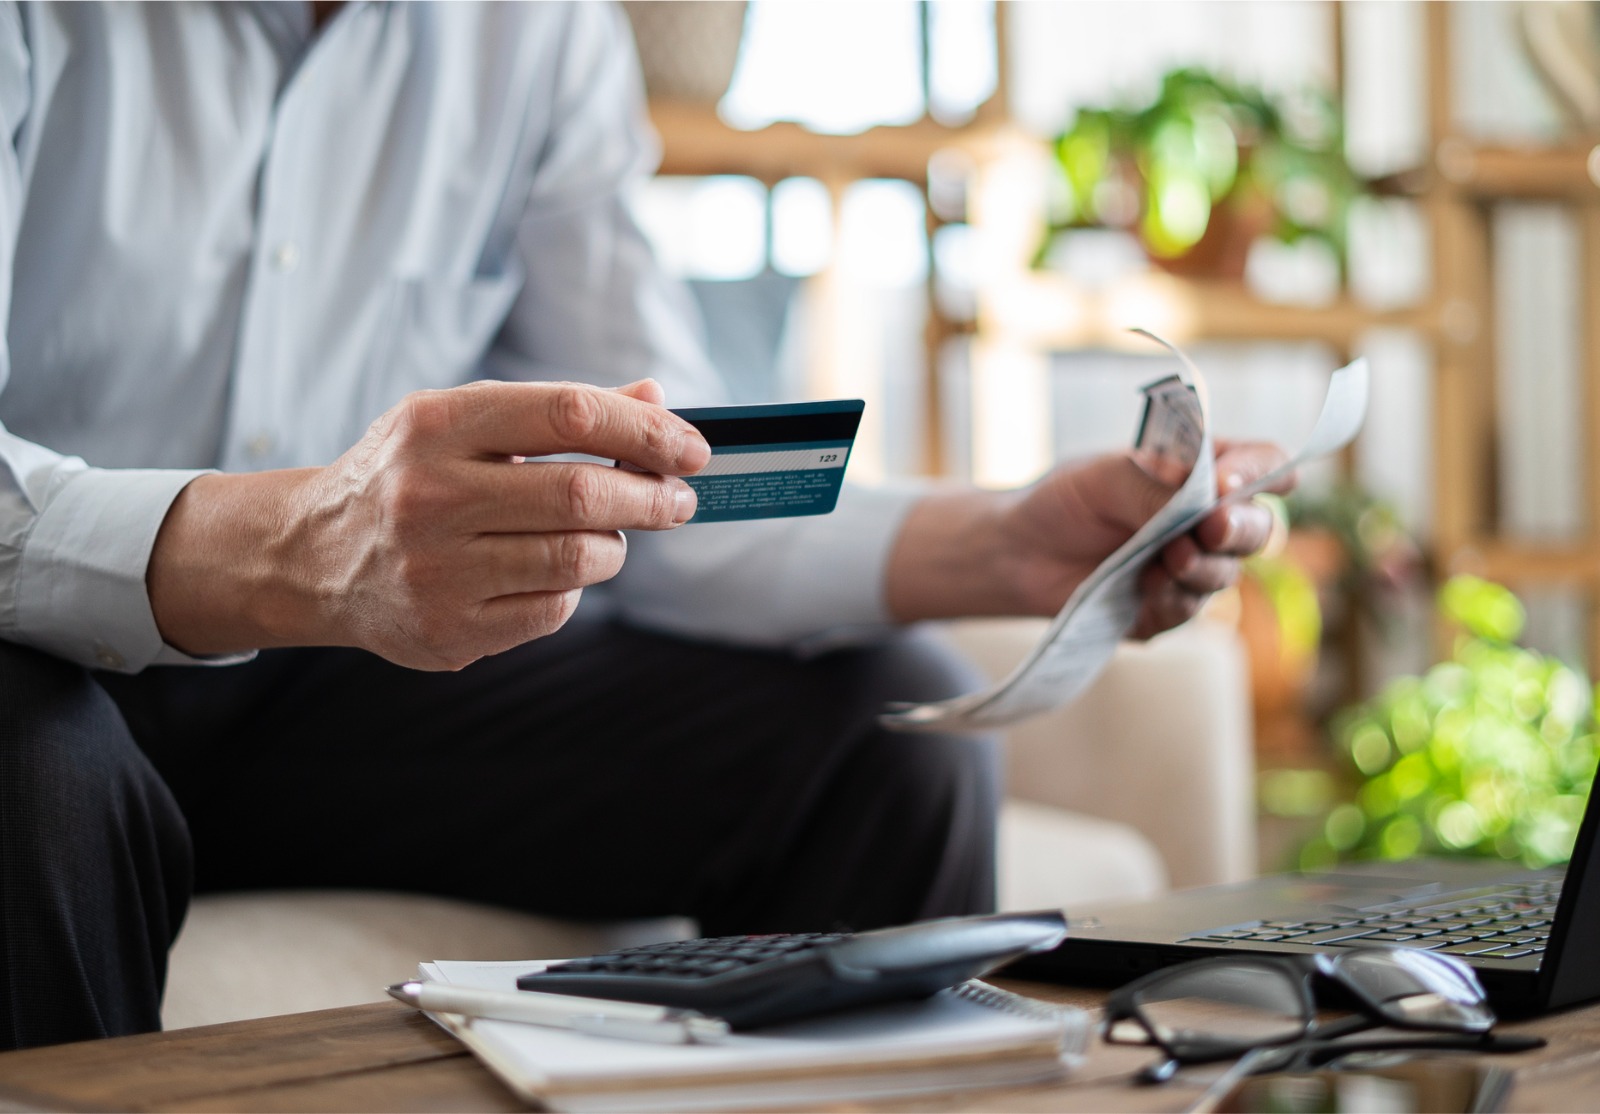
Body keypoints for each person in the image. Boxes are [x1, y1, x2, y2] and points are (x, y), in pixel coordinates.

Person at [0, 1, 1287, 1050]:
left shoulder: (539, 33)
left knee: (888, 731)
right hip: (42, 660)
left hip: (334, 692)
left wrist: (1007, 541)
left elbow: (671, 479)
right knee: (39, 773)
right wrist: (287, 543)